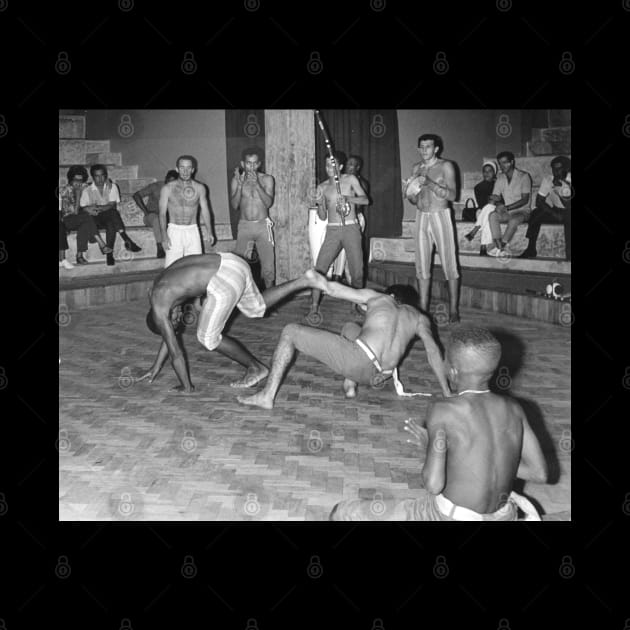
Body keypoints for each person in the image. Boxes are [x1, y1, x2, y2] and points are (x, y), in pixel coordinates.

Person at [330, 326, 548, 521]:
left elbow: (433, 485)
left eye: (444, 360)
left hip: (448, 516)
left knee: (343, 512)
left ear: (452, 372)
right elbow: (540, 473)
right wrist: (487, 458)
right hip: (504, 515)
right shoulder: (515, 409)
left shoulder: (443, 410)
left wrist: (433, 449)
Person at [236, 281, 452, 410]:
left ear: (392, 295)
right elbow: (433, 350)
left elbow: (334, 289)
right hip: (380, 375)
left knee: (290, 331)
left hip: (358, 360)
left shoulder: (378, 297)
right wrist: (447, 392)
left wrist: (311, 280)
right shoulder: (419, 317)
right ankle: (350, 385)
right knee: (350, 327)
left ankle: (267, 396)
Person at [141, 253, 330, 393]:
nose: (178, 318)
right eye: (174, 321)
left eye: (173, 319)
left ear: (160, 317)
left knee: (207, 338)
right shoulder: (160, 285)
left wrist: (186, 386)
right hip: (232, 262)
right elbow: (169, 336)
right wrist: (156, 367)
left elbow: (176, 352)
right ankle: (303, 281)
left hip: (222, 279)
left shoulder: (160, 307)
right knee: (256, 307)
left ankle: (256, 368)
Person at [402, 134, 460, 322]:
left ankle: (453, 310)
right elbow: (414, 199)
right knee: (421, 266)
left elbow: (452, 195)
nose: (425, 150)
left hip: (440, 215)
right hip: (421, 216)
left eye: (428, 146)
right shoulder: (416, 168)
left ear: (436, 149)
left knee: (449, 264)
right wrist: (409, 192)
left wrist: (430, 183)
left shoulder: (446, 166)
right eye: (422, 147)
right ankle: (423, 309)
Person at [307, 152, 370, 322]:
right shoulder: (322, 187)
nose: (330, 169)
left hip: (351, 228)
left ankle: (355, 304)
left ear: (340, 167)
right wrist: (320, 202)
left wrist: (348, 198)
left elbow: (365, 200)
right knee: (319, 268)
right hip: (333, 230)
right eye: (327, 165)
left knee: (357, 270)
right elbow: (321, 216)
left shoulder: (350, 180)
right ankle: (314, 306)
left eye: (333, 165)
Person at [231, 147, 276, 288]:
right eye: (248, 163)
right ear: (243, 164)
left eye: (254, 163)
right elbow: (234, 205)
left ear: (259, 164)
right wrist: (239, 186)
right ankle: (241, 301)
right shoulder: (236, 180)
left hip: (263, 226)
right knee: (239, 265)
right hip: (244, 226)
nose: (251, 166)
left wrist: (257, 185)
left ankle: (271, 304)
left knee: (268, 267)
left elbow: (268, 203)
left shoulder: (267, 179)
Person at [80, 164, 141, 266]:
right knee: (111, 214)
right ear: (92, 177)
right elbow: (83, 208)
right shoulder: (87, 190)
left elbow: (112, 205)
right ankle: (126, 239)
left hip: (108, 217)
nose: (100, 179)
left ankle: (109, 255)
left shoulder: (112, 187)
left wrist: (96, 207)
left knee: (111, 220)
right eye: (97, 176)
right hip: (93, 221)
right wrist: (97, 208)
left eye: (102, 175)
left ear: (106, 175)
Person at [159, 155, 214, 268]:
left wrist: (210, 231)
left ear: (193, 169)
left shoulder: (200, 188)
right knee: (172, 268)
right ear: (177, 169)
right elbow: (162, 214)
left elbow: (205, 210)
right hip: (174, 230)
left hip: (192, 230)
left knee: (195, 266)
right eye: (182, 167)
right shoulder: (167, 188)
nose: (185, 171)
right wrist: (164, 236)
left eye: (188, 168)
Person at [519, 156, 571, 261]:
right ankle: (531, 248)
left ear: (566, 169)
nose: (556, 172)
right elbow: (539, 201)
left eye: (559, 168)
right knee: (536, 213)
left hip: (569, 211)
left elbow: (568, 205)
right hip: (557, 210)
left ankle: (569, 255)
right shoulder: (548, 179)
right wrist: (554, 214)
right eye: (554, 169)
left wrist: (560, 188)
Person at [59, 165, 112, 266]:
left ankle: (79, 256)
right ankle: (101, 243)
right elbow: (74, 212)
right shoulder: (65, 191)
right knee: (86, 216)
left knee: (85, 223)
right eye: (76, 180)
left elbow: (99, 185)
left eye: (81, 180)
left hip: (83, 219)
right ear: (71, 179)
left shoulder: (85, 186)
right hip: (68, 220)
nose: (78, 183)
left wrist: (108, 183)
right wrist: (78, 194)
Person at [332, 154, 371, 284]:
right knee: (337, 250)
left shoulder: (361, 183)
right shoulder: (340, 181)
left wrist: (346, 198)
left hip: (355, 219)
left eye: (352, 165)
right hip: (340, 220)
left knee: (352, 254)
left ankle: (354, 285)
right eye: (347, 164)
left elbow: (360, 203)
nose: (348, 167)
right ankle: (338, 277)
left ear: (358, 167)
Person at [485, 152, 532, 256]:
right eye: (500, 163)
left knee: (514, 220)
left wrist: (506, 207)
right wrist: (496, 203)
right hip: (508, 211)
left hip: (523, 211)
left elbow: (525, 200)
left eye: (505, 163)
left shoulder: (524, 176)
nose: (502, 166)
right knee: (492, 215)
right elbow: (495, 196)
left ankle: (504, 245)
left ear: (512, 162)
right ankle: (498, 246)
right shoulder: (500, 178)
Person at [133, 169, 179, 258]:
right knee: (156, 219)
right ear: (166, 179)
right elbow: (136, 195)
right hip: (151, 217)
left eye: (173, 182)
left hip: (167, 218)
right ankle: (159, 247)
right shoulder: (156, 186)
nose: (170, 184)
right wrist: (146, 211)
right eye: (168, 181)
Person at [463, 161, 498, 254]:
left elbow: (502, 201)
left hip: (498, 209)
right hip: (485, 210)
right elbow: (482, 204)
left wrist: (493, 201)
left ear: (494, 172)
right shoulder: (478, 187)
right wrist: (491, 200)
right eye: (485, 171)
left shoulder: (499, 184)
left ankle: (475, 232)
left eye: (490, 171)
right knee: (485, 213)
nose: (487, 173)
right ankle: (483, 247)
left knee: (488, 212)